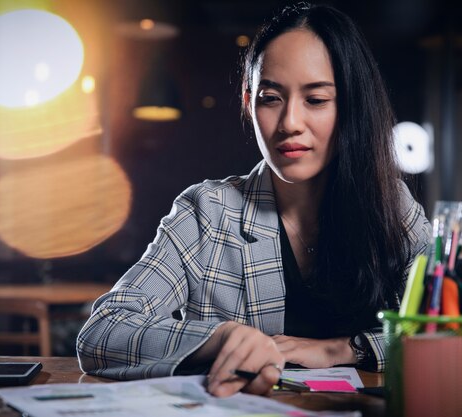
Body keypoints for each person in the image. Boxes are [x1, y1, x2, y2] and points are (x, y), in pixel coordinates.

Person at [77, 2, 431, 398]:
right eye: (271, 98)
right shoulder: (208, 212)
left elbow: (447, 327)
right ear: (249, 104)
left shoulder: (392, 205)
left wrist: (345, 348)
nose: (290, 123)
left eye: (316, 100)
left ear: (350, 108)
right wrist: (217, 339)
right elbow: (103, 331)